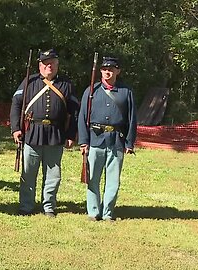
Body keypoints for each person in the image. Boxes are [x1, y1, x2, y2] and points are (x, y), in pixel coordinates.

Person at [10, 49, 79, 217]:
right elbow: (16, 104)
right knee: (28, 173)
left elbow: (74, 111)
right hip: (32, 132)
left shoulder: (66, 84)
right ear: (40, 65)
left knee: (53, 174)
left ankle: (49, 206)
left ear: (57, 65)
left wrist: (71, 135)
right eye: (46, 63)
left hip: (55, 133)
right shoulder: (29, 81)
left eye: (53, 63)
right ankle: (26, 205)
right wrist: (16, 128)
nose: (50, 66)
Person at [77, 56, 137, 222]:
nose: (107, 72)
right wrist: (83, 141)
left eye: (111, 69)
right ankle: (93, 211)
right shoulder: (91, 91)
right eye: (104, 69)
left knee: (113, 181)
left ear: (118, 71)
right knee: (93, 179)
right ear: (100, 71)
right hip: (95, 139)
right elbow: (82, 117)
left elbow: (132, 119)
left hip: (116, 140)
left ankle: (108, 213)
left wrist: (129, 142)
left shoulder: (126, 92)